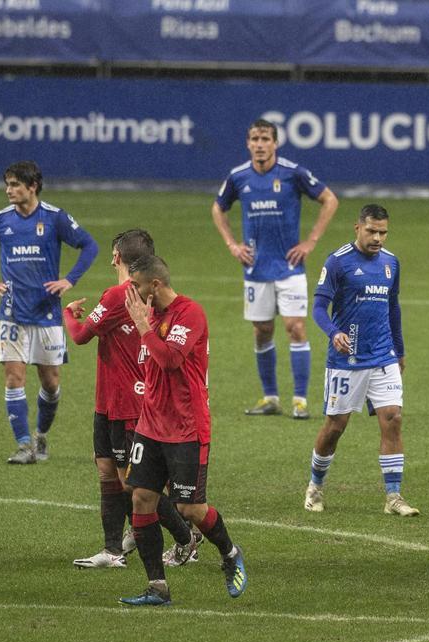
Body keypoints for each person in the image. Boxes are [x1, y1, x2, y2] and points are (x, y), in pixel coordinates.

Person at [63, 230, 198, 569]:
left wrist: (68, 313)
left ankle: (185, 538)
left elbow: (80, 336)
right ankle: (113, 550)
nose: (111, 260)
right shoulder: (154, 296)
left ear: (118, 258)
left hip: (122, 404)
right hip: (116, 401)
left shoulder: (116, 296)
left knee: (132, 482)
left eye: (113, 255)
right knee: (110, 473)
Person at [118, 254, 247, 606]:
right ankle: (157, 586)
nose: (130, 293)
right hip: (150, 426)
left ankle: (230, 552)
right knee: (141, 497)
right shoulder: (150, 314)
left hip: (187, 428)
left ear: (154, 285)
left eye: (136, 286)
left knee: (190, 508)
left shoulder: (189, 313)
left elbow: (171, 359)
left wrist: (143, 327)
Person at [0, 160, 99, 465]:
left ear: (32, 187)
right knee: (14, 377)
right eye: (8, 184)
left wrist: (70, 279)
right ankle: (24, 444)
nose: (9, 190)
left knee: (50, 383)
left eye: (15, 184)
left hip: (47, 314)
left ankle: (40, 435)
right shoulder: (0, 220)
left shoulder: (54, 218)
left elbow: (89, 245)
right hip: (12, 312)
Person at [212, 118, 340, 420]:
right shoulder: (238, 177)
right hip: (255, 269)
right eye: (255, 139)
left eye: (265, 139)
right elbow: (218, 207)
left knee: (295, 327)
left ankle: (300, 400)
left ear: (275, 143)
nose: (260, 144)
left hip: (289, 267)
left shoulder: (292, 173)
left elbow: (329, 199)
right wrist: (232, 244)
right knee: (262, 331)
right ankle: (270, 397)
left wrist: (311, 241)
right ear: (248, 143)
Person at [303, 204, 417, 517]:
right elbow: (318, 308)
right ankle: (315, 485)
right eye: (372, 231)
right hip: (346, 360)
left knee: (393, 418)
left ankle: (393, 496)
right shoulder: (338, 262)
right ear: (357, 228)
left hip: (383, 355)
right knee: (335, 427)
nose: (378, 237)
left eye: (383, 232)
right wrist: (333, 332)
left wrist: (400, 350)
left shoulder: (391, 263)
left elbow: (393, 309)